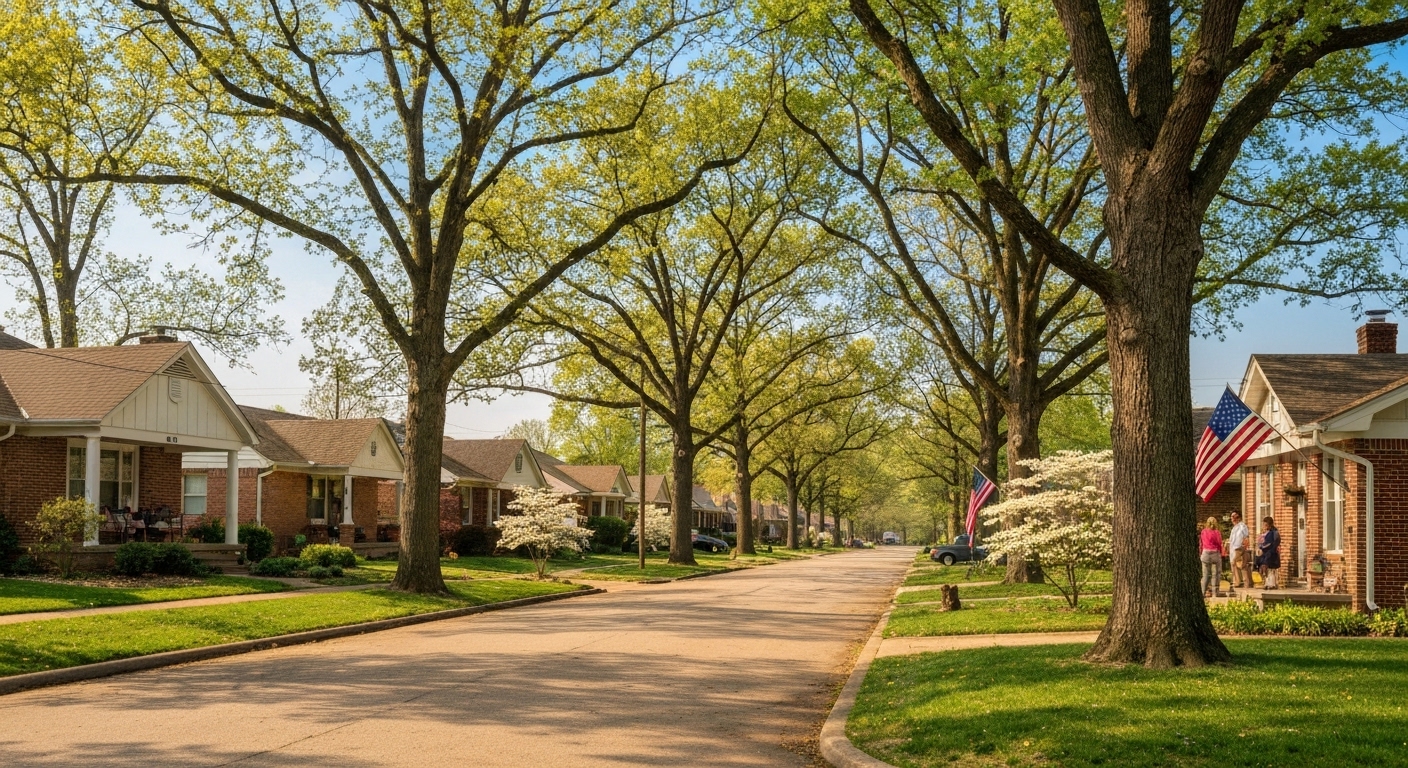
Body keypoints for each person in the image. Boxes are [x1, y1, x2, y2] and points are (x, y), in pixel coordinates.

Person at [1227, 511, 1252, 594]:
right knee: (1234, 565)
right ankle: (1237, 582)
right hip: (1233, 549)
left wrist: (1243, 547)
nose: (1233, 519)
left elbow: (1246, 538)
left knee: (1241, 565)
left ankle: (1246, 582)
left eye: (1235, 517)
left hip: (1239, 548)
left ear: (1239, 517)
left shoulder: (1242, 526)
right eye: (1232, 517)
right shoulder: (1234, 528)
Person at [1199, 516, 1224, 598]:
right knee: (1216, 574)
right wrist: (1221, 553)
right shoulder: (1216, 532)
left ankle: (1202, 593)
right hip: (1215, 553)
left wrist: (1201, 553)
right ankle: (1215, 593)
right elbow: (1219, 543)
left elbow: (1201, 544)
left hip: (1205, 553)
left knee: (1205, 574)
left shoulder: (1203, 532)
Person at [1259, 516, 1282, 590]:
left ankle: (1272, 584)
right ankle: (1267, 583)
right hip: (1267, 553)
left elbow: (1271, 543)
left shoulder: (1273, 533)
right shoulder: (1266, 533)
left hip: (1271, 553)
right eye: (1264, 525)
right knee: (1267, 569)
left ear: (1270, 525)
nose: (1264, 527)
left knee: (1271, 569)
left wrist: (1263, 547)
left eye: (1266, 525)